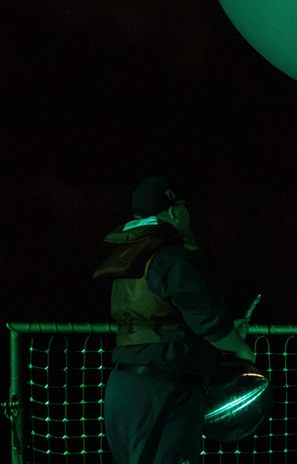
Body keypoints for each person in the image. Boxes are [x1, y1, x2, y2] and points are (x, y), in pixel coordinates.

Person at [100, 176, 255, 464]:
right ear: (174, 211)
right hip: (165, 391)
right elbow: (207, 320)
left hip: (123, 387)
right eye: (184, 207)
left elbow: (163, 318)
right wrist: (240, 348)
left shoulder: (130, 257)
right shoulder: (172, 258)